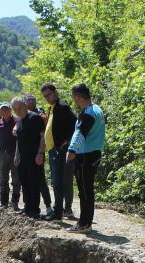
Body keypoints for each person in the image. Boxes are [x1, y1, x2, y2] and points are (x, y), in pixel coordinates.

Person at [66, 83, 105, 234]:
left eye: (74, 97)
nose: (74, 100)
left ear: (78, 96)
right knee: (87, 189)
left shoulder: (88, 113)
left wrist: (71, 149)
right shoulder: (98, 109)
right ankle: (86, 222)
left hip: (86, 155)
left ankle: (84, 224)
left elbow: (80, 133)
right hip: (94, 153)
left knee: (84, 191)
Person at [39, 83, 77, 221]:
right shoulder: (54, 108)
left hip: (60, 150)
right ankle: (57, 211)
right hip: (54, 150)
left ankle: (58, 212)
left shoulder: (62, 106)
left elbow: (75, 124)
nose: (47, 98)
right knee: (56, 182)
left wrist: (66, 140)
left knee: (59, 182)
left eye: (49, 94)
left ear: (55, 92)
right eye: (45, 96)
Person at [11, 96, 47, 218]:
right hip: (22, 158)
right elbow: (18, 140)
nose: (18, 111)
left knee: (34, 184)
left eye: (19, 108)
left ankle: (34, 210)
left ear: (25, 106)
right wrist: (16, 155)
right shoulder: (19, 121)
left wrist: (40, 153)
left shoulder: (35, 118)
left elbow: (43, 136)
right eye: (15, 109)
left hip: (35, 157)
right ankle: (27, 208)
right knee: (25, 184)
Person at [24, 93, 54, 217]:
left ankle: (48, 207)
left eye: (33, 100)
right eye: (28, 100)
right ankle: (29, 206)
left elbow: (45, 122)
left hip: (38, 151)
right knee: (26, 180)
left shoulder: (39, 112)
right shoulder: (23, 114)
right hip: (27, 152)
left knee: (41, 180)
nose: (31, 102)